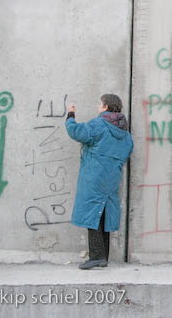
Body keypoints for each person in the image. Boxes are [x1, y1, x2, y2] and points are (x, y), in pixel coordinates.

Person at [65, 94, 133, 270]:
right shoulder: (124, 132)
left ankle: (96, 256)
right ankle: (103, 256)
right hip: (112, 178)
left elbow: (77, 132)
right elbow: (128, 149)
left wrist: (70, 115)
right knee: (104, 214)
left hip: (94, 176)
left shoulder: (99, 124)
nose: (98, 106)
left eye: (99, 104)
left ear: (105, 107)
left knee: (91, 214)